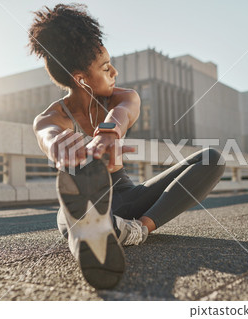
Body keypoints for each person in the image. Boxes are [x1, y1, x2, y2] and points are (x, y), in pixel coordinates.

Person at [29, 3, 225, 290]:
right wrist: (58, 144)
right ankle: (94, 235)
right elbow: (46, 133)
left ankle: (136, 229)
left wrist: (109, 131)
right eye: (106, 68)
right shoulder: (51, 117)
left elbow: (122, 113)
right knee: (76, 216)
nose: (115, 72)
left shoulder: (123, 97)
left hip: (127, 197)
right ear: (81, 79)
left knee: (212, 159)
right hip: (82, 206)